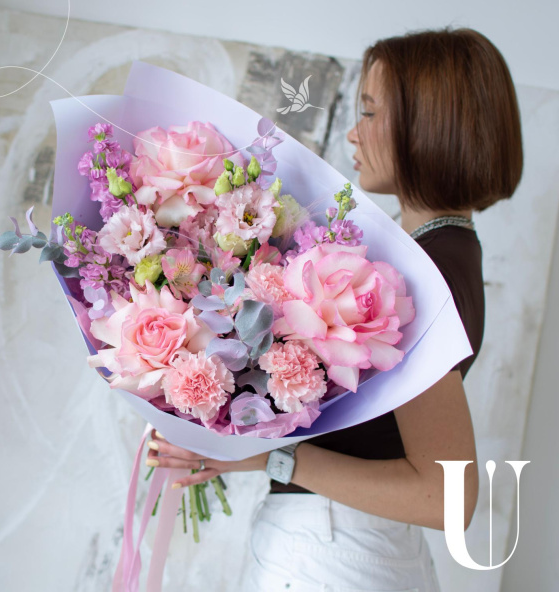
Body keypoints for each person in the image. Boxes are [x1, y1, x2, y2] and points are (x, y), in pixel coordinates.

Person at [145, 27, 523, 591]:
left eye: (369, 112)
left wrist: (272, 458)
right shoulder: (443, 252)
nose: (353, 132)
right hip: (348, 547)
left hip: (332, 554)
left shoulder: (425, 273)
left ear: (428, 126)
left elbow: (446, 498)